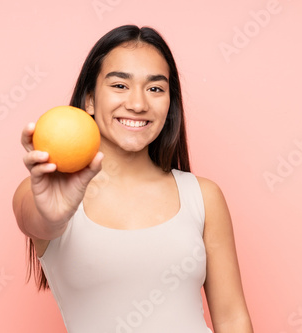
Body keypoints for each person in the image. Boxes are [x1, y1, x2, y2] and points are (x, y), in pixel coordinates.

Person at [13, 25, 254, 333]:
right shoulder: (46, 194)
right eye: (119, 85)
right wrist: (52, 215)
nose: (138, 104)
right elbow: (37, 221)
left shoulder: (203, 196)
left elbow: (232, 318)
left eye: (155, 88)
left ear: (170, 105)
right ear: (89, 100)